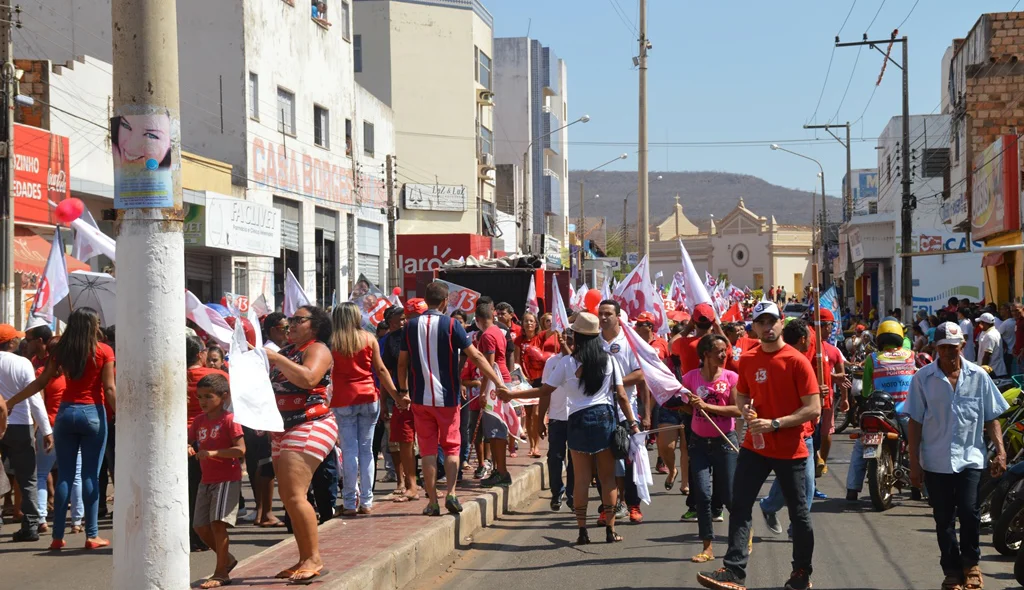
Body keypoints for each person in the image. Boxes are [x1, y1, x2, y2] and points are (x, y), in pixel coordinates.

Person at [697, 301, 820, 590]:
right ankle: (734, 571)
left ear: (781, 324)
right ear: (754, 327)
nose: (767, 327)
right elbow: (741, 395)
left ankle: (801, 572)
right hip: (755, 447)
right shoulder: (749, 360)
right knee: (739, 506)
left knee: (799, 514)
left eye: (772, 321)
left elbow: (813, 408)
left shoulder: (796, 360)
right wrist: (746, 410)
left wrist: (776, 423)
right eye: (761, 322)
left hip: (790, 450)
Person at [501, 312, 640, 544]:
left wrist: (511, 395)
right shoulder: (610, 360)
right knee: (607, 479)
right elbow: (623, 397)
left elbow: (543, 391)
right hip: (604, 419)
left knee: (582, 479)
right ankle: (610, 530)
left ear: (576, 335)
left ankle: (582, 531)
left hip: (576, 420)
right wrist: (633, 423)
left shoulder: (566, 362)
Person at [907, 321, 1008, 590]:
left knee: (970, 512)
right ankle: (951, 571)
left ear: (963, 346)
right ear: (936, 348)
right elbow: (915, 423)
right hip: (936, 460)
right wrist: (914, 463)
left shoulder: (979, 376)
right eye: (944, 348)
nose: (950, 353)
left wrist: (1000, 451)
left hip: (970, 458)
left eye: (955, 347)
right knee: (943, 519)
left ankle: (971, 565)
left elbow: (992, 417)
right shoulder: (922, 379)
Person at [396, 281, 506, 517]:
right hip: (447, 398)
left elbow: (402, 363)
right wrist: (497, 382)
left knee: (427, 450)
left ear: (427, 300)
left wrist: (402, 392)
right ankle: (452, 493)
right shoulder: (452, 325)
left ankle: (433, 501)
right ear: (445, 302)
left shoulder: (410, 326)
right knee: (452, 446)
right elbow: (475, 356)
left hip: (419, 398)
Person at [8, 308, 115, 550]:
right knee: (89, 475)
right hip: (93, 413)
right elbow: (109, 389)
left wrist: (13, 400)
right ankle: (91, 534)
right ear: (92, 325)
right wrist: (122, 414)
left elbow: (41, 382)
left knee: (65, 475)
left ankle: (57, 537)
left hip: (66, 414)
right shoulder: (103, 351)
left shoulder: (62, 351)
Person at [264, 305, 337, 584]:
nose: (289, 324)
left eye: (297, 320)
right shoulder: (286, 352)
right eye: (289, 320)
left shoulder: (317, 349)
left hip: (310, 424)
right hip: (283, 428)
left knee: (295, 495)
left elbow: (309, 378)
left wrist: (275, 358)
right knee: (290, 497)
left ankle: (313, 558)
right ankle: (303, 557)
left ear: (315, 326)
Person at [330, 302, 399, 516]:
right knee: (366, 450)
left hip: (343, 399)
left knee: (349, 451)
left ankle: (350, 502)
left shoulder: (332, 342)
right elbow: (380, 369)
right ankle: (367, 501)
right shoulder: (369, 338)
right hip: (368, 396)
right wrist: (396, 395)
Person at [758, 319, 819, 538]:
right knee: (793, 482)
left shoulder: (803, 360)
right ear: (803, 339)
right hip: (784, 431)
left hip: (806, 432)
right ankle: (772, 509)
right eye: (809, 338)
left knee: (806, 484)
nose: (812, 341)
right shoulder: (781, 361)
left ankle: (796, 527)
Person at [682, 334, 740, 563]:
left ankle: (741, 538)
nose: (724, 355)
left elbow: (737, 410)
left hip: (725, 442)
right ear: (705, 354)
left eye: (725, 350)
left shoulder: (731, 377)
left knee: (729, 497)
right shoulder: (690, 378)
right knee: (703, 496)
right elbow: (684, 406)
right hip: (698, 443)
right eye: (719, 351)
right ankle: (707, 547)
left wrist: (705, 405)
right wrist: (696, 409)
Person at [845, 318, 917, 502]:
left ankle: (852, 489)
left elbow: (867, 389)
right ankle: (922, 488)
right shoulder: (910, 356)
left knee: (860, 446)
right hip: (905, 414)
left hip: (879, 413)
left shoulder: (873, 359)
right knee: (920, 447)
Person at [188, 373, 245, 589]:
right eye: (199, 397)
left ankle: (221, 572)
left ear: (224, 397)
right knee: (200, 526)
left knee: (218, 525)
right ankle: (227, 559)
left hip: (226, 479)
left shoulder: (229, 420)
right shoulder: (199, 421)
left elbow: (240, 450)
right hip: (207, 480)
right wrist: (189, 447)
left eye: (208, 397)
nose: (202, 401)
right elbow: (190, 440)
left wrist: (214, 453)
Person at [597, 300, 649, 524]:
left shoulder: (628, 342)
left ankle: (633, 504)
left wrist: (613, 384)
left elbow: (640, 375)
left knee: (628, 460)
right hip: (599, 410)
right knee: (602, 461)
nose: (603, 318)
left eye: (608, 314)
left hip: (625, 412)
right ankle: (608, 505)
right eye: (600, 314)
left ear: (618, 316)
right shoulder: (593, 342)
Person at [0, 324, 52, 542]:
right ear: (11, 342)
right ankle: (30, 525)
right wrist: (47, 429)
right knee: (27, 477)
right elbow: (35, 399)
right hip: (21, 425)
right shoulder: (22, 363)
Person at [185, 334, 229, 550]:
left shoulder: (177, 377)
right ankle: (204, 534)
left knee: (189, 488)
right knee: (206, 488)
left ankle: (194, 534)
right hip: (209, 437)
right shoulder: (218, 376)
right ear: (200, 355)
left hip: (180, 437)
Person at [23, 319, 65, 535]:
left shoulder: (43, 373)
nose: (26, 343)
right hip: (63, 425)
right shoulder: (67, 370)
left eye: (29, 340)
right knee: (71, 474)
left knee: (40, 473)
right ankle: (76, 519)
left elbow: (37, 400)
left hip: (48, 425)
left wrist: (40, 428)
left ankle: (41, 518)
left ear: (41, 342)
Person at [474, 298, 515, 487]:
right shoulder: (498, 331)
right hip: (502, 381)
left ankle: (502, 471)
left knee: (495, 431)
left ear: (478, 319)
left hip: (494, 385)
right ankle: (501, 470)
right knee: (498, 429)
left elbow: (488, 367)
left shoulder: (487, 335)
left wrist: (483, 392)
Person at [541, 328, 574, 511]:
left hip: (576, 417)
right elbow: (544, 392)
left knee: (575, 459)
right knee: (555, 457)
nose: (566, 343)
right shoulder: (551, 362)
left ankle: (572, 494)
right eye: (564, 340)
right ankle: (556, 493)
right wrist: (540, 419)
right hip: (556, 418)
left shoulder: (579, 362)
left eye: (570, 341)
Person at [516, 312, 546, 458]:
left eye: (531, 321)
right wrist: (523, 376)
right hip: (525, 381)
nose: (529, 324)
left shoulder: (539, 339)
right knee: (528, 415)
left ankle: (537, 446)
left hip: (539, 379)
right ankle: (531, 445)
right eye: (526, 321)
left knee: (536, 414)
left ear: (536, 324)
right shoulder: (518, 341)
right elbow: (516, 361)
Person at [976, 312, 1006, 377]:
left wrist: (983, 370)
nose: (979, 325)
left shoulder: (990, 335)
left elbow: (987, 355)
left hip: (992, 371)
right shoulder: (992, 332)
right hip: (995, 370)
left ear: (985, 324)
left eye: (980, 323)